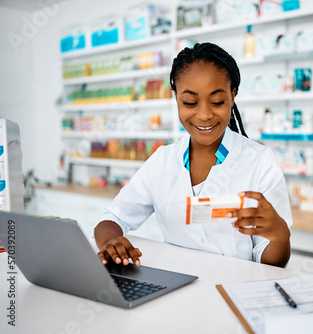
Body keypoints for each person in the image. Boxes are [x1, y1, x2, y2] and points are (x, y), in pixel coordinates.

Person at [94, 42, 292, 268]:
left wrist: (280, 235)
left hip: (236, 291)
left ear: (233, 95)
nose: (205, 115)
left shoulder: (259, 162)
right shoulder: (163, 161)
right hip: (177, 290)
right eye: (190, 102)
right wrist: (110, 241)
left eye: (217, 102)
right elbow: (112, 218)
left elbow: (271, 263)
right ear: (176, 97)